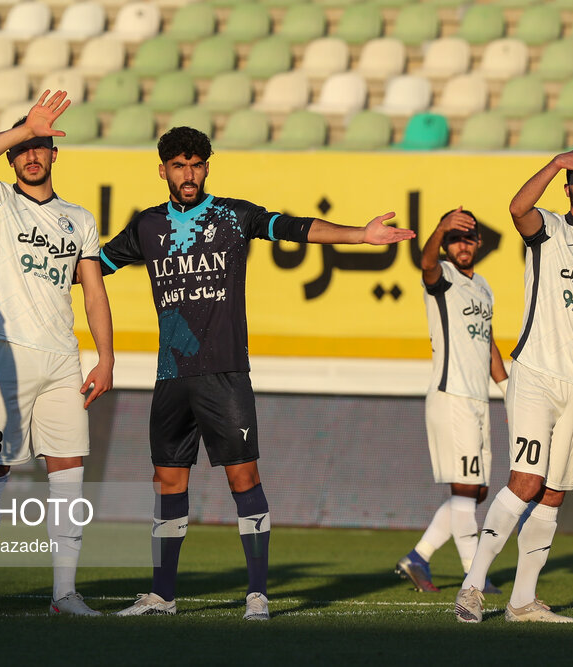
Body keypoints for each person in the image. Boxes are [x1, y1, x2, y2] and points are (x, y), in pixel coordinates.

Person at [100, 126, 415, 621]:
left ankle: (257, 595)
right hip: (171, 374)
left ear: (207, 167)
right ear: (162, 170)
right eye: (179, 166)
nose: (188, 174)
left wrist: (359, 234)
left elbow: (295, 228)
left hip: (225, 373)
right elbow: (94, 265)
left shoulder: (233, 215)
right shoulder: (147, 226)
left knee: (243, 476)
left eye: (196, 165)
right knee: (167, 481)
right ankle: (162, 596)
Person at [454, 143, 573, 624]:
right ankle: (472, 586)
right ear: (567, 187)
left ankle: (522, 601)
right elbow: (516, 208)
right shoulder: (550, 229)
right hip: (536, 375)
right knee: (526, 482)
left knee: (555, 491)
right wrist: (559, 160)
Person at [0, 90, 114, 616]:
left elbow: (94, 292)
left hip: (63, 360)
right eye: (23, 148)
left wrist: (106, 358)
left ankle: (64, 594)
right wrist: (26, 127)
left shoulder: (79, 219)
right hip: (6, 354)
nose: (31, 155)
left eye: (40, 146)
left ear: (54, 153)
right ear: (12, 157)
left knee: (69, 473)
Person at [395, 208, 507, 595]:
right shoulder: (441, 275)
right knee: (465, 489)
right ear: (445, 244)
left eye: (467, 237)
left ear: (478, 242)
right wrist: (441, 226)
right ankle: (474, 576)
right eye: (454, 238)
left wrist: (508, 388)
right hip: (452, 395)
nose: (462, 244)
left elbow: (487, 340)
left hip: (477, 398)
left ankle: (419, 557)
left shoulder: (484, 286)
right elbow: (425, 264)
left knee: (477, 492)